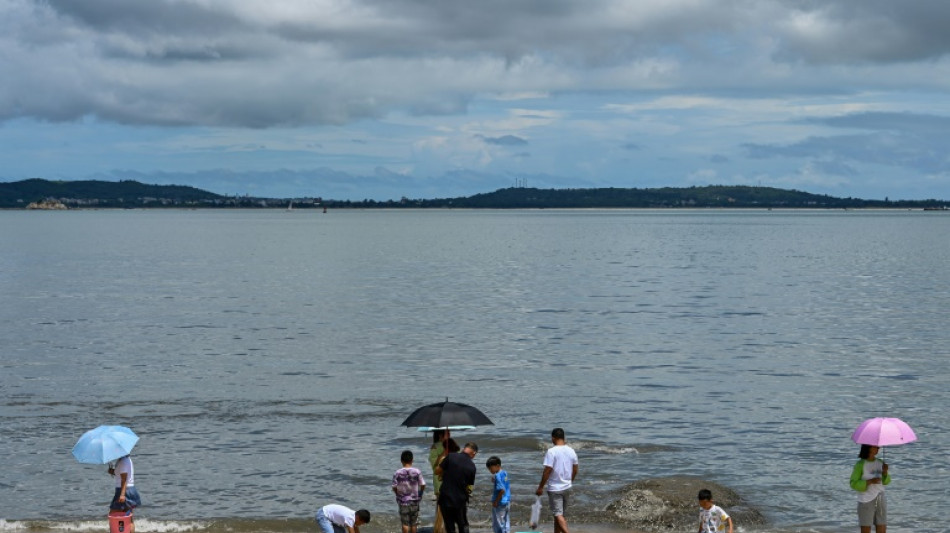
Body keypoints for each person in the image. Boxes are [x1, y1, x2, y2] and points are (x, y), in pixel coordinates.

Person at [535, 428, 578, 533]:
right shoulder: (571, 451)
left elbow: (547, 470)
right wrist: (570, 481)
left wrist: (540, 487)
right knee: (559, 515)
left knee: (558, 514)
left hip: (555, 488)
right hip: (567, 487)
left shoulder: (551, 451)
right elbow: (575, 469)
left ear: (553, 438)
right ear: (563, 438)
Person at [435, 440, 478, 533]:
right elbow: (469, 487)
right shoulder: (472, 466)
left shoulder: (451, 456)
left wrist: (442, 463)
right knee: (463, 524)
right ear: (473, 453)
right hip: (460, 500)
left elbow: (437, 471)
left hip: (445, 498)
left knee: (450, 526)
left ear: (463, 449)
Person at [850, 444, 890, 533]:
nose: (878, 448)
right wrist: (870, 482)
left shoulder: (880, 462)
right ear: (868, 448)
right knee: (866, 527)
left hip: (880, 497)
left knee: (882, 525)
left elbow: (886, 482)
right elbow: (853, 483)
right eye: (875, 446)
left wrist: (885, 473)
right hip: (866, 499)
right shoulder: (860, 464)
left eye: (878, 447)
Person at [393, 450, 427, 533]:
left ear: (401, 460)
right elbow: (423, 484)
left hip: (402, 500)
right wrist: (420, 493)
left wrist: (397, 494)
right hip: (414, 500)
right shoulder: (417, 471)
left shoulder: (397, 472)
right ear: (412, 460)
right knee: (413, 523)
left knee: (405, 523)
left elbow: (394, 486)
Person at [108, 454, 142, 533]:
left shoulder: (123, 461)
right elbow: (122, 475)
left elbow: (124, 479)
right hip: (128, 490)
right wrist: (113, 471)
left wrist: (122, 495)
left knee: (112, 514)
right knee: (129, 518)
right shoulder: (124, 460)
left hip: (124, 490)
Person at [429, 430, 449, 533]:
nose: (449, 435)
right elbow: (434, 465)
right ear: (441, 435)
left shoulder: (452, 445)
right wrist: (443, 454)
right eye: (447, 433)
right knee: (441, 505)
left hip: (451, 479)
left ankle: (444, 527)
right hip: (439, 479)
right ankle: (439, 528)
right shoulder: (435, 447)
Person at [486, 456, 510, 533]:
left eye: (490, 468)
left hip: (499, 503)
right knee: (506, 521)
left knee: (498, 523)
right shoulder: (504, 473)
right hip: (507, 501)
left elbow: (502, 490)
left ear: (497, 466)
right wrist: (495, 481)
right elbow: (504, 484)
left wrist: (496, 501)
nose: (490, 470)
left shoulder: (497, 475)